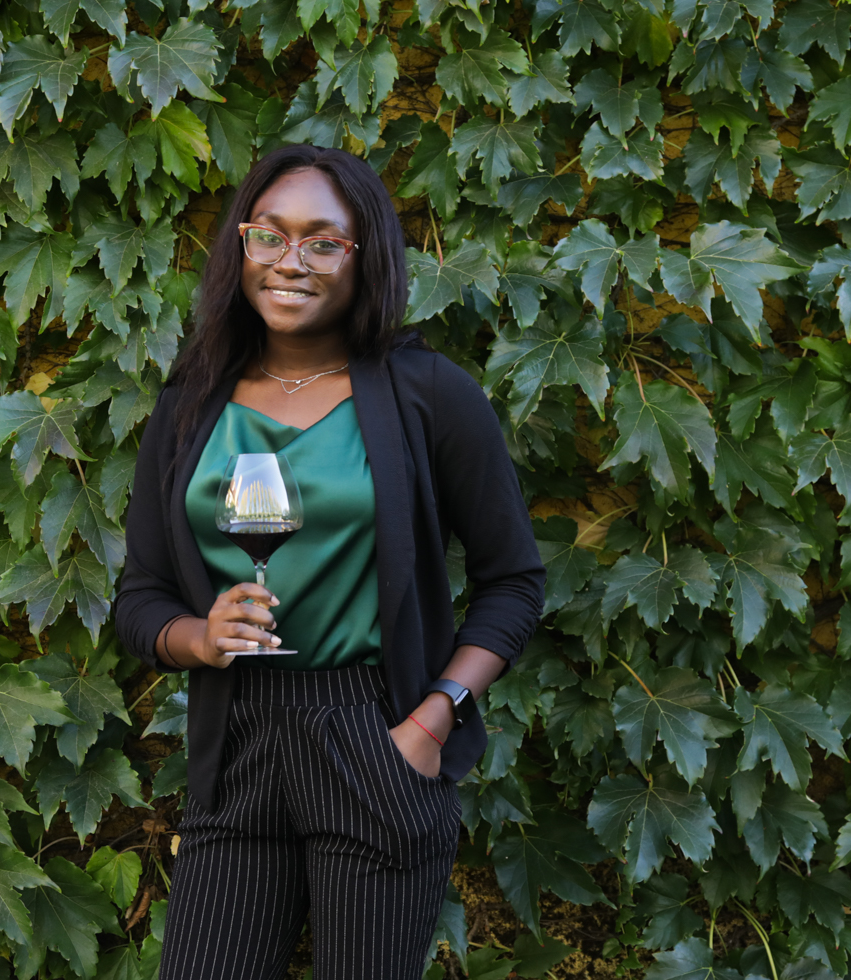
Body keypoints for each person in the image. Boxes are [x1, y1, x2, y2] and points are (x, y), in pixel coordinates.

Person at [113, 143, 546, 980]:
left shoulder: (429, 394)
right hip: (235, 745)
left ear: (364, 256)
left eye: (322, 242)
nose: (290, 262)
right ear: (241, 246)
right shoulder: (190, 402)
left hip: (373, 733)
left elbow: (514, 580)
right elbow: (141, 597)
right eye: (268, 235)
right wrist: (198, 639)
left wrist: (435, 717)